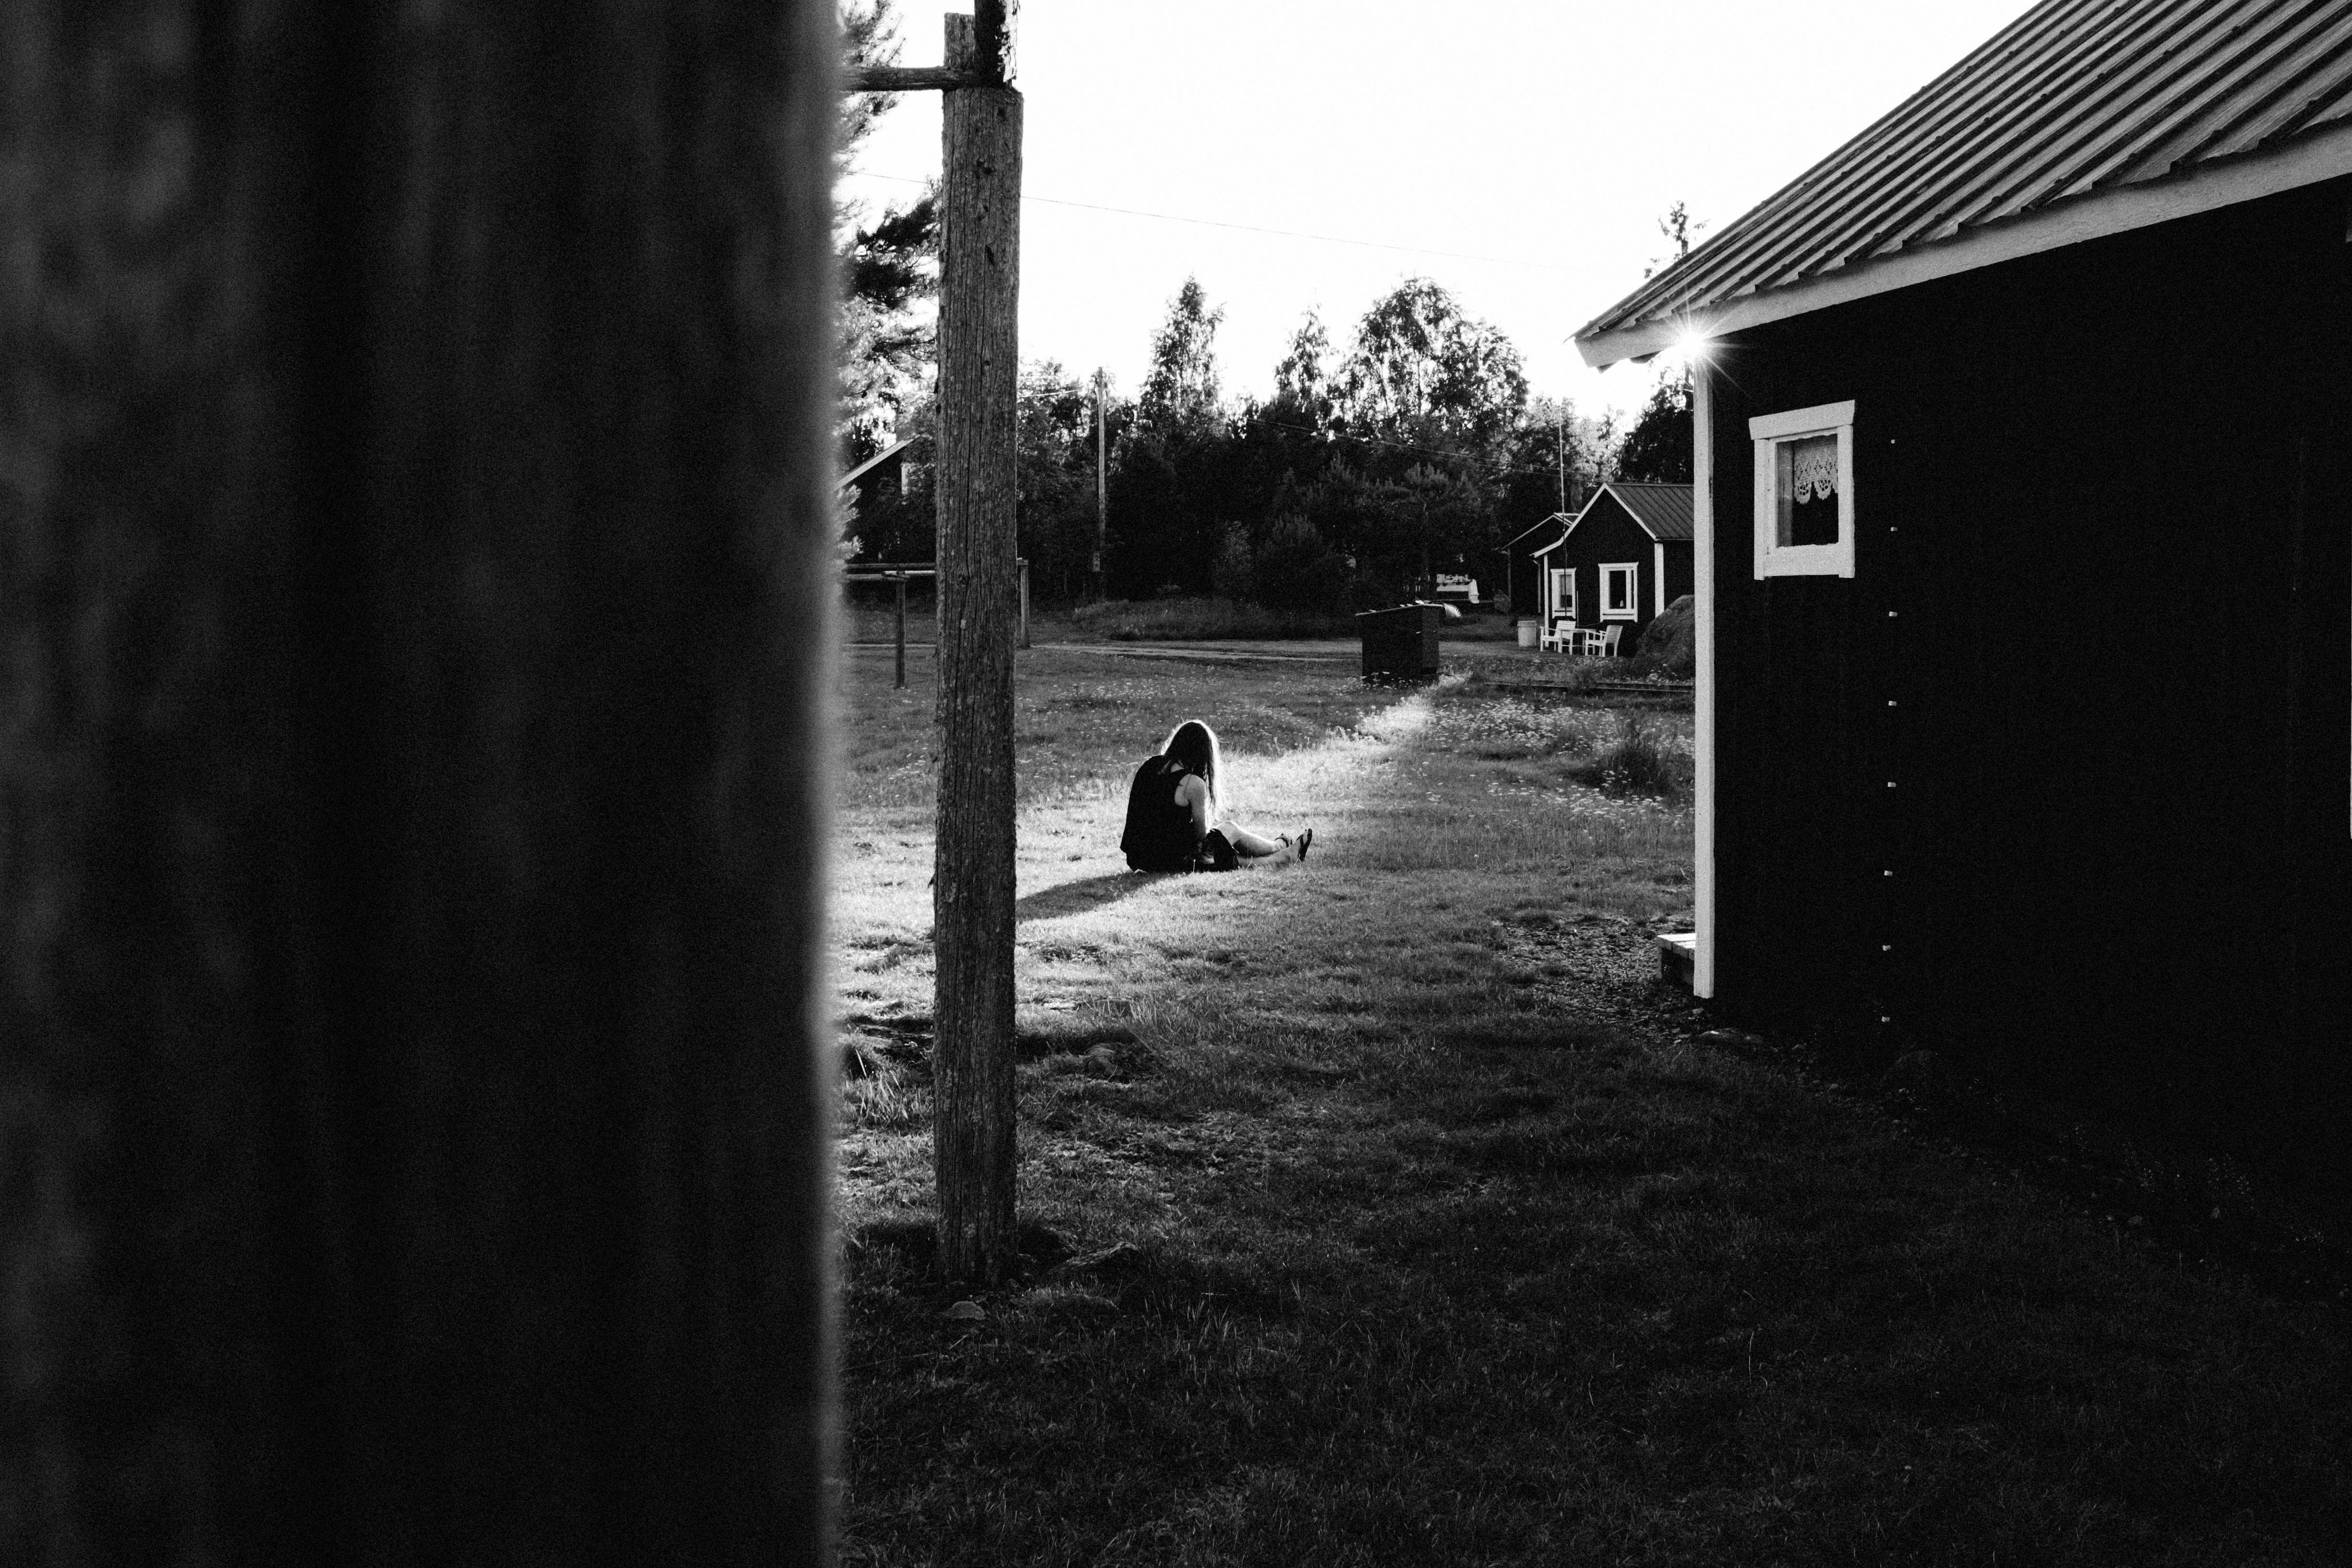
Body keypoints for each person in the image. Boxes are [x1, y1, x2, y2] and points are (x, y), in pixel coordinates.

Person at [1120, 719, 1312, 873]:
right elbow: (1201, 835)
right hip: (1171, 860)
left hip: (1140, 857)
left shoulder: (1150, 766)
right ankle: (1279, 849)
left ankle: (1282, 851)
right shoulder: (1192, 783)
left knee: (1224, 839)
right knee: (1229, 831)